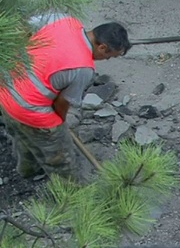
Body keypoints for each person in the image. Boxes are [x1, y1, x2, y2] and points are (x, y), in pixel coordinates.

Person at [0, 12, 131, 182]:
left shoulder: (63, 20)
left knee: (23, 135)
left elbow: (21, 25)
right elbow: (62, 103)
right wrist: (58, 127)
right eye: (109, 56)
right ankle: (70, 193)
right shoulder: (83, 68)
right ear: (103, 47)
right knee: (60, 156)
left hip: (6, 91)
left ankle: (28, 170)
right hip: (29, 108)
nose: (105, 60)